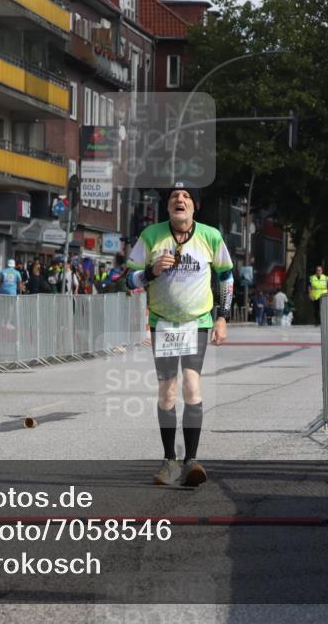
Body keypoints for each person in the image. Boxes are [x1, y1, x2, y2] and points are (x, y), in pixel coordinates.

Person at [126, 184, 233, 487]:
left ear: (194, 206)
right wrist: (150, 272)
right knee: (167, 392)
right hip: (163, 324)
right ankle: (169, 461)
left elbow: (226, 276)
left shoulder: (211, 236)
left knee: (191, 385)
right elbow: (127, 279)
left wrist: (222, 317)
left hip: (197, 322)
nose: (180, 199)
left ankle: (192, 461)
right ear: (168, 206)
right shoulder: (151, 236)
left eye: (186, 196)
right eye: (174, 196)